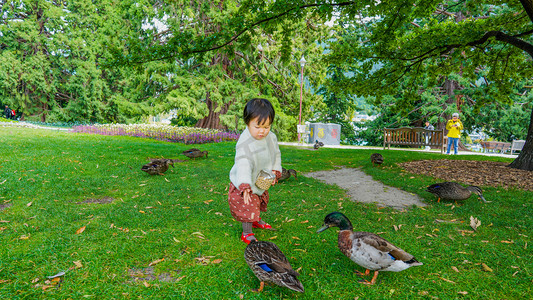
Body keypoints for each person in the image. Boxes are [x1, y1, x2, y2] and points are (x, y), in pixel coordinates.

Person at [228, 98, 282, 244]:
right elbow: (243, 162)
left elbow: (276, 153)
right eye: (257, 126)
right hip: (245, 179)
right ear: (247, 123)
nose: (262, 131)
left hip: (262, 176)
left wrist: (276, 170)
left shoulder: (271, 137)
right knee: (247, 204)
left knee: (258, 200)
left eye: (267, 126)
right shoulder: (245, 142)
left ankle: (256, 220)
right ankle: (247, 232)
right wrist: (244, 184)